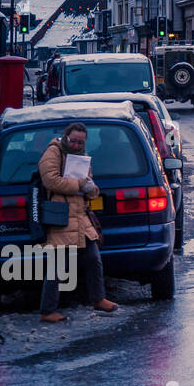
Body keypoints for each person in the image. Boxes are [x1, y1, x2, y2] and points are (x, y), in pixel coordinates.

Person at [38, 122, 118, 323]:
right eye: (73, 141)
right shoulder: (53, 152)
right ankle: (47, 311)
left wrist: (92, 189)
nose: (76, 145)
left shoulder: (82, 156)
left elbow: (88, 181)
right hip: (60, 216)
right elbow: (51, 181)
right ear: (66, 137)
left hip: (80, 216)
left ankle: (98, 298)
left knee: (93, 258)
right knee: (57, 266)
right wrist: (81, 185)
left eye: (80, 142)